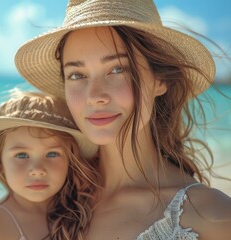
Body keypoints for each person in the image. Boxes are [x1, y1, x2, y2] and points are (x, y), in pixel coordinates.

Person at [14, 0, 231, 239]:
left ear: (160, 80)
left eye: (117, 69)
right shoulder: (49, 203)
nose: (95, 96)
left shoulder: (212, 216)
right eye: (77, 74)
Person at [0, 89, 101, 240]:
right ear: (0, 163)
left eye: (52, 154)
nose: (37, 170)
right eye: (21, 155)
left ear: (71, 160)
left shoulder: (83, 210)